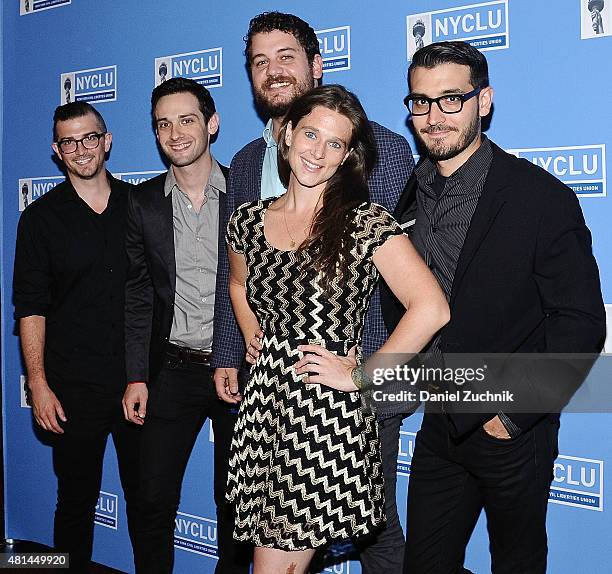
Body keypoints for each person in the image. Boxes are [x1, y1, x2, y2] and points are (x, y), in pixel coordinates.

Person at [381, 41, 606, 573]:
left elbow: (580, 321)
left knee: (517, 562)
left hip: (509, 426)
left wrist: (512, 417)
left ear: (484, 101)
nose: (433, 117)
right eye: (420, 102)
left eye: (451, 99)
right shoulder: (412, 190)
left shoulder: (539, 196)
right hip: (440, 419)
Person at [211, 13, 415, 572]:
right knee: (275, 548)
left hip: (344, 378)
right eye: (260, 61)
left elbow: (385, 272)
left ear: (315, 64)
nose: (273, 70)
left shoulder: (386, 152)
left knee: (377, 533)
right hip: (268, 391)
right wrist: (242, 340)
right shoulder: (249, 166)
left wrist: (367, 369)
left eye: (286, 56)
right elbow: (237, 277)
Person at [121, 78, 249, 574]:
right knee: (151, 500)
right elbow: (136, 296)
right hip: (169, 370)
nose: (174, 133)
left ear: (212, 124)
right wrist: (136, 374)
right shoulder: (143, 202)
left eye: (186, 119)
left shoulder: (244, 193)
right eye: (163, 124)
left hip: (236, 369)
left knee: (236, 507)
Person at [13, 102, 140, 573]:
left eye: (89, 138)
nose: (81, 149)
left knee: (147, 505)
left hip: (137, 383)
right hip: (71, 386)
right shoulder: (40, 219)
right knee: (75, 504)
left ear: (106, 141)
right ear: (57, 151)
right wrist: (39, 383)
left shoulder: (140, 207)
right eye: (69, 142)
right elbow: (30, 307)